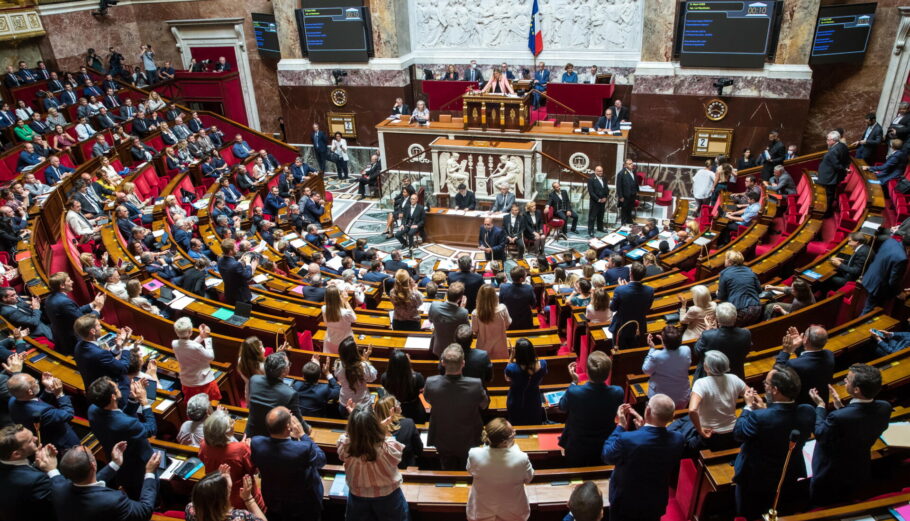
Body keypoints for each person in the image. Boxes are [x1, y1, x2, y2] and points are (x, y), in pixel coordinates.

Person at [733, 365, 815, 520]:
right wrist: (765, 409)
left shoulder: (759, 417)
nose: (764, 386)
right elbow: (780, 422)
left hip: (755, 478)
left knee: (749, 513)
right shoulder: (808, 411)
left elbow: (739, 433)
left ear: (775, 390)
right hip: (787, 474)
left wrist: (749, 407)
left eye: (766, 384)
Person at [808, 363, 892, 507]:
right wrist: (841, 408)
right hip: (859, 468)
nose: (845, 380)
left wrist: (821, 406)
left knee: (822, 507)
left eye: (848, 379)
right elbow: (861, 424)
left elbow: (820, 434)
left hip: (830, 474)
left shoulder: (839, 417)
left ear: (857, 389)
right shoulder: (885, 407)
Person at [602, 395, 685, 521]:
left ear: (647, 410)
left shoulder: (627, 439)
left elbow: (607, 455)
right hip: (655, 500)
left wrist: (621, 426)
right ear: (671, 417)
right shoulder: (678, 439)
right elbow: (653, 450)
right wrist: (642, 430)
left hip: (626, 502)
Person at [86, 376, 157, 500]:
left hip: (121, 467)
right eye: (116, 387)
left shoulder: (92, 410)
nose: (118, 386)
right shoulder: (127, 424)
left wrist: (133, 399)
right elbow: (151, 429)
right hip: (139, 469)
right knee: (147, 497)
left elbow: (120, 416)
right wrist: (145, 402)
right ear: (113, 396)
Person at [250, 406, 326, 521]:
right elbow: (321, 460)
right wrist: (302, 435)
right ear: (288, 426)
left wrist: (293, 439)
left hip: (273, 501)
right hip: (303, 506)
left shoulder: (256, 443)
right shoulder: (304, 448)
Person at [53, 441, 160, 521]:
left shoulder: (59, 488)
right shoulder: (113, 500)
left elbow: (88, 484)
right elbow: (145, 511)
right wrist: (150, 473)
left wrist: (115, 463)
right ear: (93, 465)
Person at [337, 403, 409, 520]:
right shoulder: (388, 447)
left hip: (357, 496)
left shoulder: (345, 446)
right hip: (388, 497)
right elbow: (395, 454)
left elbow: (349, 435)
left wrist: (358, 421)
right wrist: (379, 425)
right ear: (375, 425)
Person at [424, 344, 490, 470]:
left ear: (443, 363)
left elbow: (428, 399)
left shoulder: (431, 383)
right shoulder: (476, 384)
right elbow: (484, 404)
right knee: (469, 469)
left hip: (442, 436)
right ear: (463, 363)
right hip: (469, 437)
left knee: (447, 469)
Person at [558, 351, 624, 466]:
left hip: (577, 448)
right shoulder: (617, 392)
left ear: (587, 372)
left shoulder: (574, 392)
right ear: (608, 373)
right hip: (603, 447)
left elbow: (562, 407)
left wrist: (574, 382)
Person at [467, 418, 534, 521]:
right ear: (504, 442)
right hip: (512, 513)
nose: (514, 433)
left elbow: (470, 470)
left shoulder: (474, 454)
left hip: (482, 511)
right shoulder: (521, 457)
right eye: (513, 433)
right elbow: (528, 478)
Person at [199, 409, 264, 510]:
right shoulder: (240, 449)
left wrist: (241, 446)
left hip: (217, 493)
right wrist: (246, 448)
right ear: (225, 432)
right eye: (231, 423)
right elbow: (254, 470)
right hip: (243, 495)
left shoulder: (203, 445)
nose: (233, 422)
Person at [688, 351, 747, 452]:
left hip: (711, 435)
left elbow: (692, 410)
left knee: (686, 446)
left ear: (707, 367)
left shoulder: (701, 383)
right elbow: (752, 396)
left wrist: (700, 431)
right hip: (732, 433)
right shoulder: (734, 378)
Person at [0, 425, 62, 521]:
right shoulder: (36, 481)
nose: (36, 438)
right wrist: (51, 470)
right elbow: (62, 501)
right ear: (16, 454)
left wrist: (35, 465)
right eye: (30, 441)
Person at [7, 370, 79, 451]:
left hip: (42, 432)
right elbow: (68, 414)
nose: (38, 382)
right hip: (62, 441)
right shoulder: (43, 412)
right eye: (35, 382)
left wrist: (48, 390)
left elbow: (35, 403)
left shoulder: (13, 400)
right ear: (29, 391)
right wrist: (60, 394)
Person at [246, 353, 303, 437]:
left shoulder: (254, 379)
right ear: (284, 372)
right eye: (289, 365)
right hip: (272, 436)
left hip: (252, 432)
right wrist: (306, 429)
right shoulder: (290, 394)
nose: (289, 366)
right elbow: (297, 419)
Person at [776, 325, 835, 405]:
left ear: (806, 339)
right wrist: (799, 346)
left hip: (803, 407)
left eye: (804, 335)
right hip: (821, 402)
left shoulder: (794, 365)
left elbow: (776, 374)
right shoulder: (829, 355)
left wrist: (786, 351)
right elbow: (808, 359)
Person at [692, 302, 751, 380]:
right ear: (735, 316)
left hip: (712, 376)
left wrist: (707, 330)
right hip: (736, 374)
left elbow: (697, 351)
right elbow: (746, 350)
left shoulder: (707, 336)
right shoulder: (746, 334)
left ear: (717, 318)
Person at [171, 317, 222, 401]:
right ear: (190, 332)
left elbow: (189, 346)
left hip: (187, 382)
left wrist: (201, 336)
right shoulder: (196, 347)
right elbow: (210, 357)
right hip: (203, 383)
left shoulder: (174, 343)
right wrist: (206, 339)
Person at [185, 469, 266, 521]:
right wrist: (249, 499)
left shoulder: (190, 509)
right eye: (229, 490)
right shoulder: (239, 516)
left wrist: (218, 478)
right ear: (222, 500)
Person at [642, 326, 691, 409]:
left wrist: (652, 349)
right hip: (682, 397)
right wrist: (666, 343)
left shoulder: (656, 355)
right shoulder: (686, 350)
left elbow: (646, 370)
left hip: (660, 401)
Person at [861, 234, 910, 315]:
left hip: (870, 278)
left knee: (868, 307)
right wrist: (899, 293)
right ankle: (860, 327)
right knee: (868, 312)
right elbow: (893, 281)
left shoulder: (890, 241)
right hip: (878, 287)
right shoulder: (902, 258)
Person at [609, 262, 654, 349]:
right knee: (633, 350)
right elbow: (647, 308)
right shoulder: (650, 290)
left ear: (630, 273)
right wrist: (624, 289)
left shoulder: (620, 290)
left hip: (621, 327)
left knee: (619, 351)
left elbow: (612, 308)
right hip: (638, 327)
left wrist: (622, 288)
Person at [505, 338, 547, 425]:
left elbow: (507, 378)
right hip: (534, 397)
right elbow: (540, 379)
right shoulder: (542, 364)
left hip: (516, 399)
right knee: (534, 422)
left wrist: (511, 357)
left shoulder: (512, 368)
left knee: (516, 423)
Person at [381, 350, 427, 424]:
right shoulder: (418, 377)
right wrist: (409, 366)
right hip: (414, 411)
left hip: (394, 410)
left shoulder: (384, 377)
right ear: (407, 363)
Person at [717, 250, 761, 326]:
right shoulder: (750, 271)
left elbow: (721, 296)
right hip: (756, 309)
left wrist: (718, 293)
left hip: (740, 311)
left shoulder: (725, 273)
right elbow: (759, 290)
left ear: (730, 262)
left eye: (725, 258)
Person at [334, 338, 378, 412]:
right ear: (354, 352)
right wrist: (366, 360)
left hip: (344, 404)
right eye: (356, 347)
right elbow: (373, 377)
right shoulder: (363, 366)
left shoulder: (337, 364)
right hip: (363, 405)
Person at [428, 281, 470, 357]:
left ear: (447, 293)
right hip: (455, 350)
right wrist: (462, 308)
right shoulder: (463, 312)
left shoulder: (434, 305)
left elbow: (430, 320)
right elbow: (466, 330)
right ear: (461, 298)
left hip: (438, 348)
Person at [472, 284, 511, 359]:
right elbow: (507, 324)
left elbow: (475, 331)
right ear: (494, 296)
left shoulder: (475, 313)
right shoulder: (502, 308)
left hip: (482, 349)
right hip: (500, 347)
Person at [817, 130, 849, 217]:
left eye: (828, 139)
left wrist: (844, 170)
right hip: (833, 176)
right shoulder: (842, 146)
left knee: (828, 195)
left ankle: (826, 212)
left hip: (829, 177)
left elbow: (837, 165)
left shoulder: (833, 151)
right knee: (830, 194)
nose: (826, 141)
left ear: (834, 140)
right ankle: (827, 210)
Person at [218, 238, 256, 305]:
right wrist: (248, 264)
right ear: (230, 251)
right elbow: (248, 276)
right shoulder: (236, 265)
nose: (237, 249)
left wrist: (239, 262)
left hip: (229, 293)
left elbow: (232, 270)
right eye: (235, 248)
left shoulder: (220, 260)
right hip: (241, 296)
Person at [499, 266, 536, 331]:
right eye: (525, 275)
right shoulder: (529, 288)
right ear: (521, 279)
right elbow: (533, 304)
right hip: (525, 321)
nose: (526, 275)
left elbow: (501, 303)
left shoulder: (503, 287)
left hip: (509, 319)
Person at [587, 166, 609, 236]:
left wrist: (605, 197)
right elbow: (591, 192)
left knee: (601, 216)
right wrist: (598, 199)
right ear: (595, 171)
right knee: (592, 217)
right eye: (599, 171)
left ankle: (600, 228)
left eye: (601, 171)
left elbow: (606, 189)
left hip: (603, 201)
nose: (600, 173)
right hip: (595, 202)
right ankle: (590, 230)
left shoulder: (604, 178)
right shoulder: (591, 179)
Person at [615, 158, 638, 225]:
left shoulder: (633, 171)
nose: (632, 165)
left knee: (630, 208)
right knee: (624, 209)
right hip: (625, 195)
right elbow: (618, 186)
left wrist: (636, 191)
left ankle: (629, 221)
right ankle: (623, 222)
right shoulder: (621, 173)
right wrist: (620, 196)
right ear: (625, 165)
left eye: (632, 163)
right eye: (629, 164)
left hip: (632, 194)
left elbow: (635, 182)